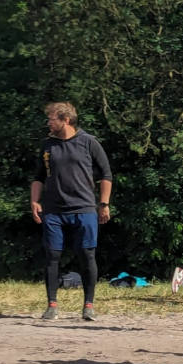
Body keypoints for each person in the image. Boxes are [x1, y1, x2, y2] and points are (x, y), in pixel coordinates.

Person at [30, 102, 112, 321]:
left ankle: (88, 306)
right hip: (54, 210)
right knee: (52, 256)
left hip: (84, 208)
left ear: (65, 120)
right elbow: (38, 176)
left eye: (52, 119)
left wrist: (103, 204)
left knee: (87, 255)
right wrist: (35, 201)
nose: (49, 122)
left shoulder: (89, 142)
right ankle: (52, 305)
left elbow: (106, 174)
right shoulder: (48, 145)